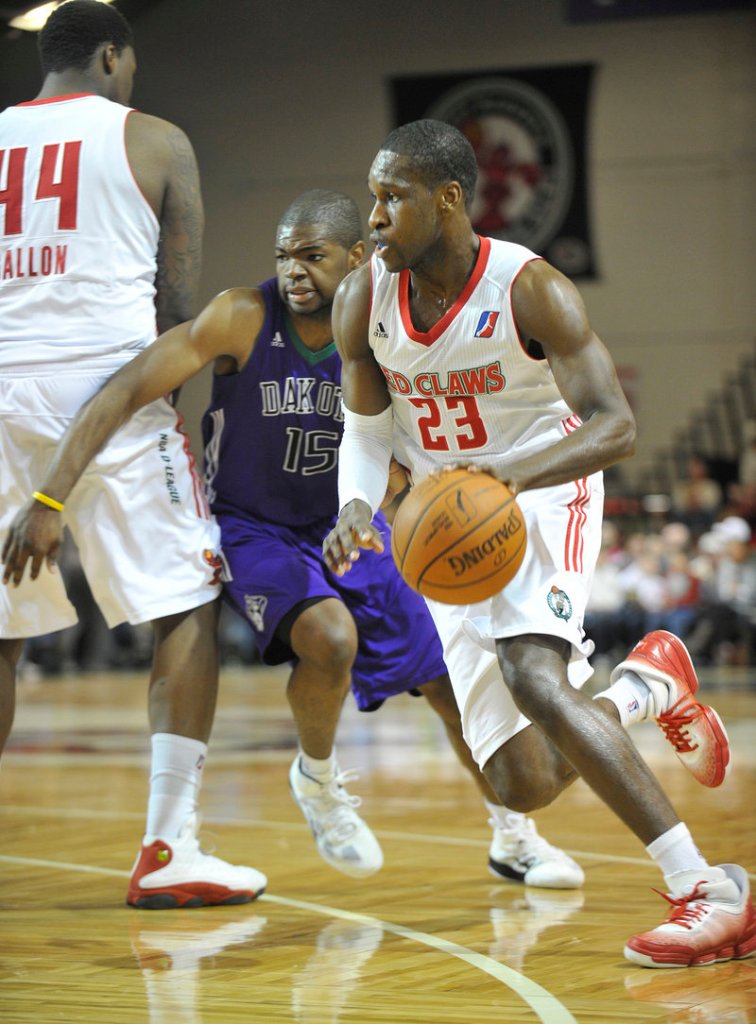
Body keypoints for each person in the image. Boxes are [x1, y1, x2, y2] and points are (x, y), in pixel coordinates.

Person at [3, 179, 585, 888]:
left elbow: (402, 448)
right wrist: (48, 493)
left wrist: (403, 506)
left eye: (312, 256)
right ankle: (318, 780)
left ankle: (512, 833)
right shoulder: (242, 316)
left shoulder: (387, 325)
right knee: (331, 640)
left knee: (447, 683)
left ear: (360, 256)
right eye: (284, 255)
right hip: (255, 531)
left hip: (353, 522)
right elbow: (127, 387)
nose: (293, 272)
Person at [322, 118, 754, 967]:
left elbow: (616, 425)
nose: (371, 217)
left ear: (448, 198)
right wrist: (355, 508)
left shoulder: (530, 288)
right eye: (371, 197)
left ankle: (709, 888)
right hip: (450, 524)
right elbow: (368, 432)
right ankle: (645, 686)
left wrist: (515, 478)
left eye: (390, 197)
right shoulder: (362, 299)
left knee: (533, 672)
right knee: (518, 780)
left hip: (545, 491)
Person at [0, 0, 265, 908]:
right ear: (112, 56)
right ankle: (168, 845)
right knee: (185, 600)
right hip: (107, 383)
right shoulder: (153, 140)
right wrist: (167, 405)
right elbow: (178, 298)